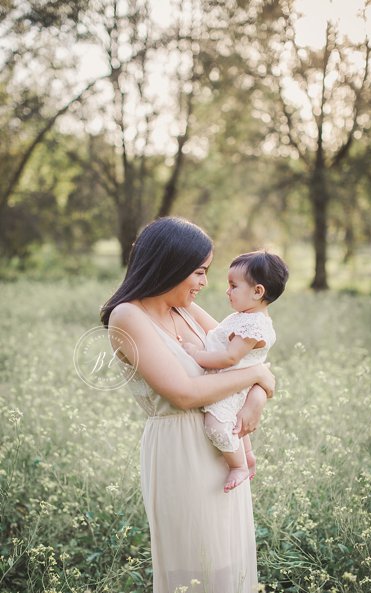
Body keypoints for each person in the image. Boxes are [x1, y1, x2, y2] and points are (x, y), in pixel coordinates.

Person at [101, 217, 274, 593]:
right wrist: (258, 379)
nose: (204, 284)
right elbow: (183, 393)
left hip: (223, 449)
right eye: (199, 272)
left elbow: (254, 362)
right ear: (170, 265)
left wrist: (257, 400)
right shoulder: (128, 316)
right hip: (179, 451)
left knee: (226, 559)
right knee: (193, 564)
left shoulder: (185, 310)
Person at [182, 250, 289, 493]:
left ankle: (239, 465)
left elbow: (230, 357)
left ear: (257, 291)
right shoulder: (244, 316)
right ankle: (248, 456)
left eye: (233, 286)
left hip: (232, 387)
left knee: (217, 427)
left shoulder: (253, 324)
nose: (227, 291)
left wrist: (196, 354)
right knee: (235, 424)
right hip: (234, 383)